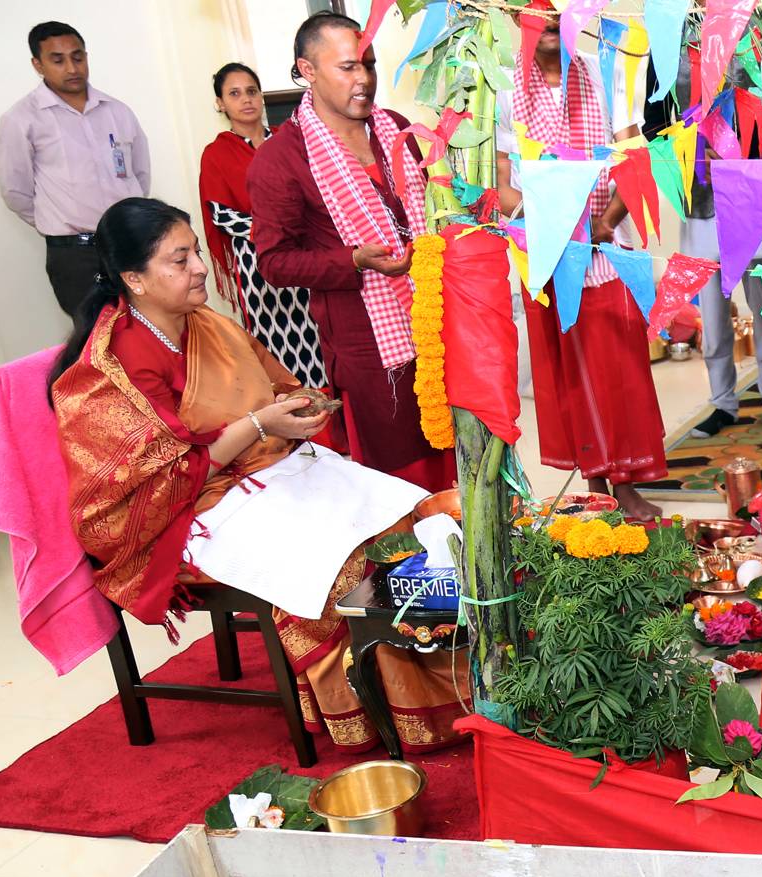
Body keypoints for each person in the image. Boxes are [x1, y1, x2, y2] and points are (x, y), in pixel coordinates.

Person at [51, 198, 466, 754]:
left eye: (196, 251)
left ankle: (459, 679)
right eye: (180, 260)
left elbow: (273, 386)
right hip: (185, 514)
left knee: (411, 518)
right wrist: (258, 424)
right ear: (135, 280)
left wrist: (297, 409)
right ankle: (382, 711)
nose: (200, 267)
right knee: (338, 564)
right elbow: (166, 478)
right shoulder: (116, 367)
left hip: (266, 470)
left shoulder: (205, 324)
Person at [247, 11, 453, 491]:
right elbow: (274, 262)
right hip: (368, 342)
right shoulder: (281, 158)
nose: (363, 80)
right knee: (402, 471)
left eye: (370, 64)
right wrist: (353, 259)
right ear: (308, 70)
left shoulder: (398, 128)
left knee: (457, 454)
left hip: (437, 320)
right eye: (347, 67)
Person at [494, 3, 666, 519]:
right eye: (534, 11)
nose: (546, 20)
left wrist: (606, 219)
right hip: (547, 256)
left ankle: (628, 483)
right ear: (516, 19)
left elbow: (634, 157)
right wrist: (548, 221)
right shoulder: (504, 89)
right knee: (573, 375)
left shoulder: (604, 70)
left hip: (608, 249)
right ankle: (596, 484)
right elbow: (502, 185)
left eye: (556, 11)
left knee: (623, 370)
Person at [680, 58, 762, 442]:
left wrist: (750, 151)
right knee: (714, 315)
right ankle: (722, 403)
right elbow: (655, 125)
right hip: (702, 200)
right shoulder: (674, 48)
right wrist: (694, 150)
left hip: (755, 193)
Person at [0, 22, 150, 319]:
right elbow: (16, 192)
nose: (72, 68)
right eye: (58, 60)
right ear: (37, 64)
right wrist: (61, 220)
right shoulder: (21, 120)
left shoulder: (117, 111)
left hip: (130, 244)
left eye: (78, 57)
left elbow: (140, 174)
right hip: (75, 256)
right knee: (95, 342)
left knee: (149, 331)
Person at [198, 62, 327, 390]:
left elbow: (311, 193)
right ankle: (292, 410)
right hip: (255, 265)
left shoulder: (288, 142)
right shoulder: (216, 153)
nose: (246, 100)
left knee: (317, 328)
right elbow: (220, 215)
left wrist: (289, 226)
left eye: (252, 91)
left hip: (300, 253)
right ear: (220, 103)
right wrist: (274, 226)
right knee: (275, 342)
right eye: (234, 93)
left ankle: (330, 415)